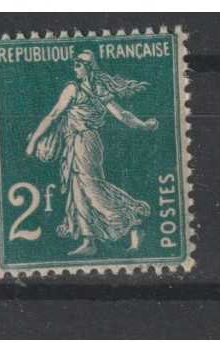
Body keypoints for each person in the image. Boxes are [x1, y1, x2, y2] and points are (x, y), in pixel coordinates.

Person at [24, 50, 157, 256]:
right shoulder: (87, 88)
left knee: (91, 187)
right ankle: (89, 241)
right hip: (76, 142)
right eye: (74, 65)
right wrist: (143, 125)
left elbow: (121, 115)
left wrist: (143, 125)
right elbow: (54, 115)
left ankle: (133, 220)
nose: (75, 69)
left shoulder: (82, 89)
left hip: (86, 143)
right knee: (78, 189)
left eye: (78, 65)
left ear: (88, 68)